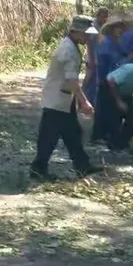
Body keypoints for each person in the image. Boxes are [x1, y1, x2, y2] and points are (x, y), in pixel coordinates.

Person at [30, 15, 104, 180]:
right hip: (57, 99)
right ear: (76, 32)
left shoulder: (71, 45)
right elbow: (72, 81)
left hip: (62, 99)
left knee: (72, 133)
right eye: (86, 34)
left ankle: (82, 166)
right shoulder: (68, 50)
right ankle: (38, 169)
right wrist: (83, 101)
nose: (88, 37)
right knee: (48, 138)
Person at [91, 14, 127, 143]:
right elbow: (103, 63)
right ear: (112, 28)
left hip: (114, 79)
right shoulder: (106, 43)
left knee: (111, 109)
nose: (120, 30)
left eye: (122, 28)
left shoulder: (115, 43)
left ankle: (107, 135)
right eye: (118, 27)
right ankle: (99, 135)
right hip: (106, 79)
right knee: (104, 108)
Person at [83, 6, 110, 105]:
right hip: (91, 57)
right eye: (102, 16)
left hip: (100, 57)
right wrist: (91, 59)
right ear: (98, 16)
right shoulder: (92, 26)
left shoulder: (104, 27)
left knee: (96, 81)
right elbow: (89, 42)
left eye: (106, 17)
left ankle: (92, 101)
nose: (104, 19)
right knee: (89, 79)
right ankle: (81, 99)